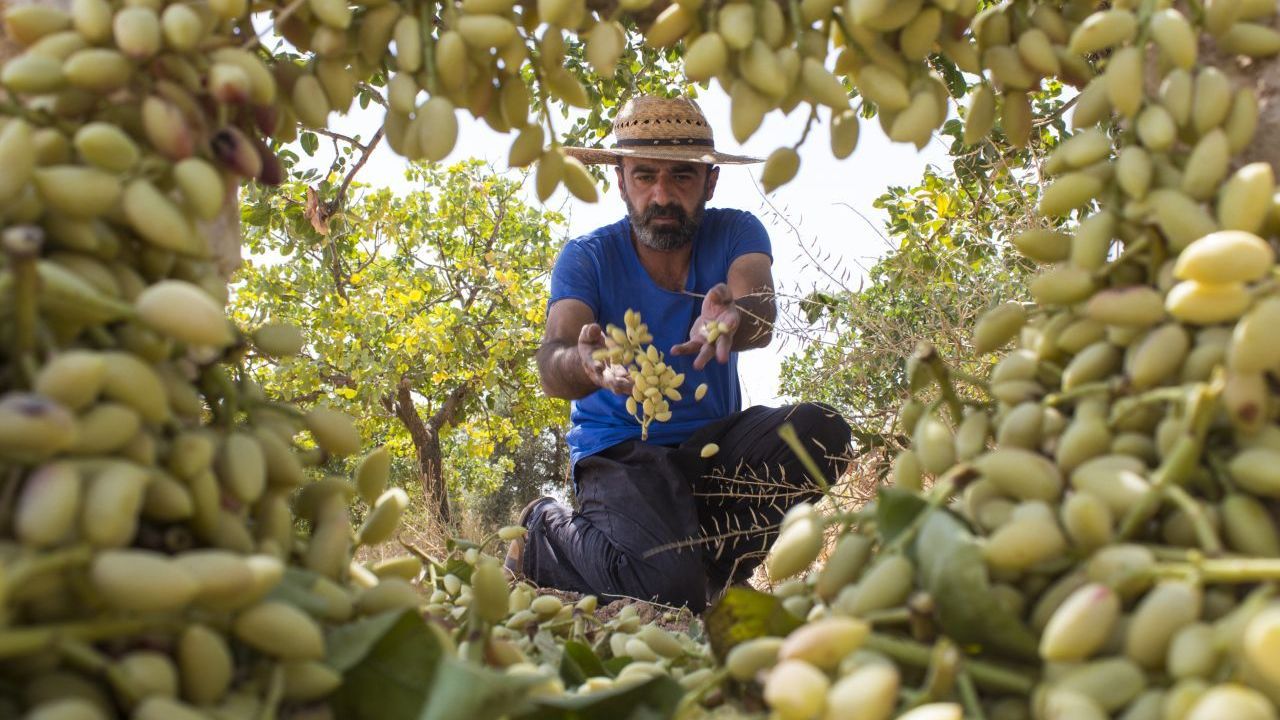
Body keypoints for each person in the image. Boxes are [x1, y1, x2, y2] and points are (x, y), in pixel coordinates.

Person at [505, 95, 852, 613]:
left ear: (709, 183)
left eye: (682, 177)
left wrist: (735, 315)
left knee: (822, 433)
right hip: (619, 454)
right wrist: (584, 364)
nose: (661, 195)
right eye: (644, 176)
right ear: (620, 180)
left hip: (709, 450)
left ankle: (718, 572)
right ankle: (542, 534)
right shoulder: (587, 258)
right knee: (668, 591)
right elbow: (553, 360)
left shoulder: (736, 231)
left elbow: (759, 306)